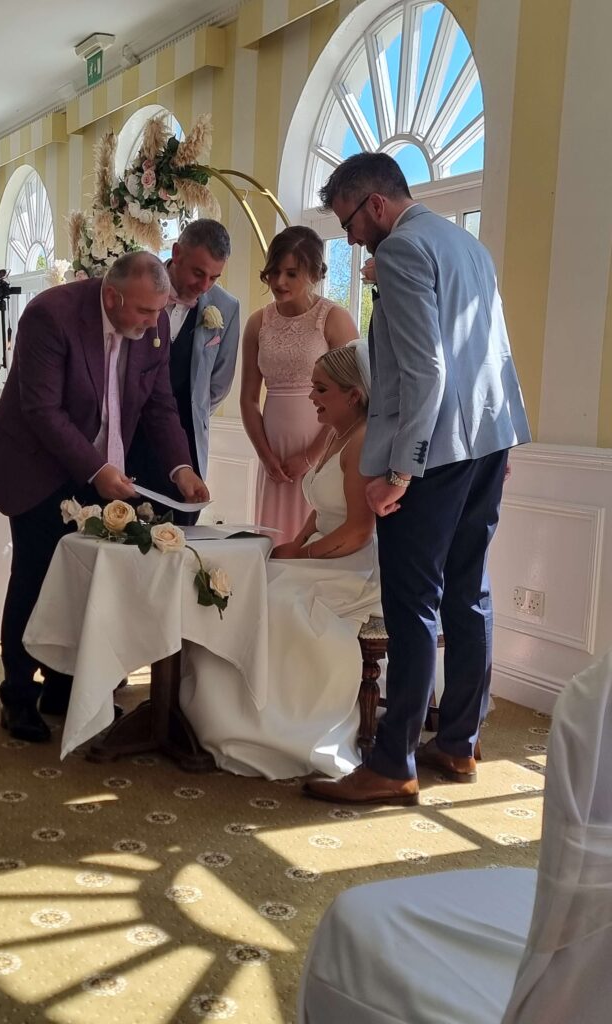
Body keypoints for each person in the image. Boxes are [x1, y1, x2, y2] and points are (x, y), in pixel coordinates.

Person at [305, 152, 531, 807]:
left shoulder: (403, 252)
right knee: (468, 591)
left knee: (412, 604)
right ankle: (459, 742)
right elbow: (492, 348)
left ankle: (392, 759)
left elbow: (427, 370)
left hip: (429, 453)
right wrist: (498, 441)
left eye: (348, 221)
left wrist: (401, 470)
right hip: (486, 439)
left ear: (376, 204)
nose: (348, 238)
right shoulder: (467, 244)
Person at [0, 251, 209, 743]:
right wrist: (96, 469)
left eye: (158, 312)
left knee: (88, 578)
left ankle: (65, 685)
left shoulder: (155, 326)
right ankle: (17, 695)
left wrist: (182, 468)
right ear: (111, 296)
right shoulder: (50, 316)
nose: (153, 324)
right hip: (37, 465)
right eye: (145, 312)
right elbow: (41, 410)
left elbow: (161, 405)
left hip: (99, 468)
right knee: (37, 576)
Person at [181, 343, 380, 779]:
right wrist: (298, 539)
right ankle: (199, 709)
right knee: (244, 585)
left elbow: (358, 530)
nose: (312, 397)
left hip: (355, 566)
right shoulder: (337, 433)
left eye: (321, 389)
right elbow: (322, 507)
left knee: (274, 601)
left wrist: (301, 554)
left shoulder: (364, 442)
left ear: (353, 394)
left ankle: (262, 722)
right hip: (325, 552)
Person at [240, 226, 358, 544]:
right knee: (273, 540)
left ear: (314, 272)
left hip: (324, 446)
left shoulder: (333, 319)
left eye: (291, 273)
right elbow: (249, 399)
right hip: (272, 452)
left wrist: (311, 456)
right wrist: (265, 456)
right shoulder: (257, 323)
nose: (279, 282)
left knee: (313, 537)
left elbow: (354, 399)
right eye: (275, 271)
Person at [126, 219, 240, 525]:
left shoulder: (226, 308)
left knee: (178, 540)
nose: (204, 286)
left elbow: (219, 383)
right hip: (127, 437)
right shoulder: (139, 288)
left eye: (214, 278)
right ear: (176, 253)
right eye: (198, 272)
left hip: (185, 447)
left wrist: (191, 412)